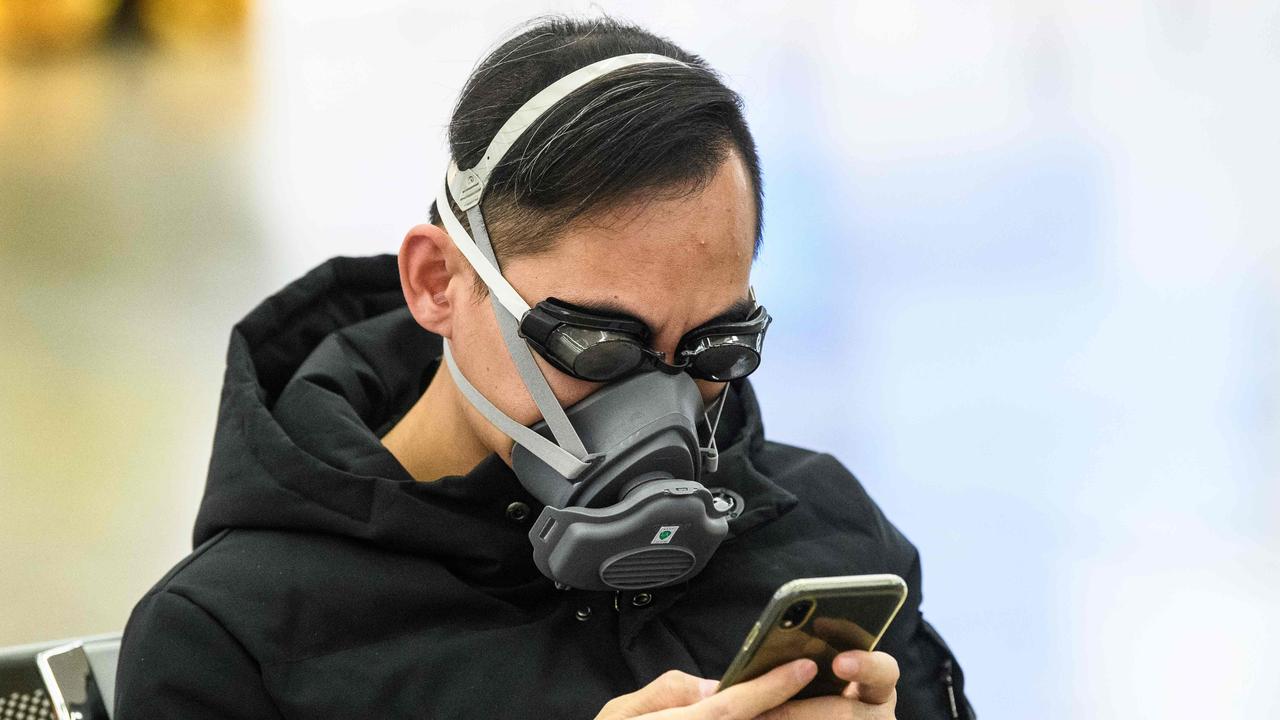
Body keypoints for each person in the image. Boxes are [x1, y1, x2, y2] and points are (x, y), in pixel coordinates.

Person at [113, 16, 975, 720]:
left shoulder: (828, 547)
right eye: (597, 344)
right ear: (439, 281)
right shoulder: (236, 639)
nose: (663, 401)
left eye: (715, 348)